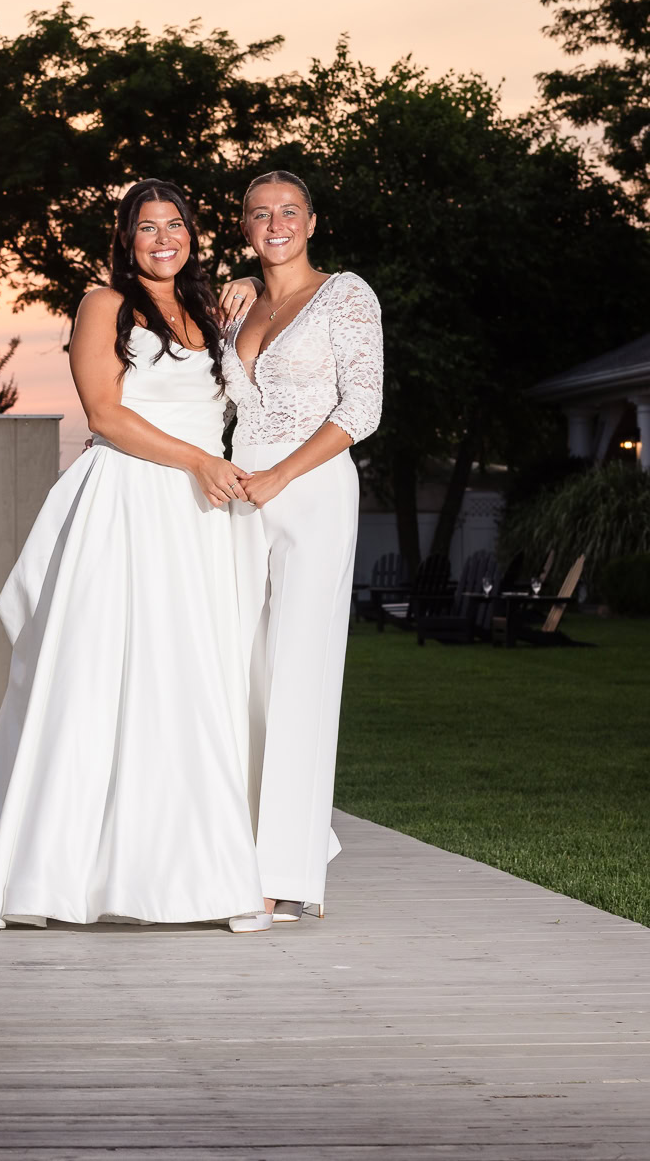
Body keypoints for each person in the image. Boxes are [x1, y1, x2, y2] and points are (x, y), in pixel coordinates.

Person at [0, 179, 271, 933]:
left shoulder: (212, 312)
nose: (164, 238)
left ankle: (203, 875)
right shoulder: (103, 303)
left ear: (194, 232)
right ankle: (53, 875)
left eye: (176, 225)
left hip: (197, 516)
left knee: (193, 679)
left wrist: (248, 281)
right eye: (147, 227)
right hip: (129, 502)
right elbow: (106, 414)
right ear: (125, 239)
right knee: (97, 680)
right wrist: (197, 461)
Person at [218, 170, 382, 923]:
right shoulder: (239, 303)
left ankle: (282, 874)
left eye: (290, 212)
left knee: (299, 676)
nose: (275, 222)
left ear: (313, 222)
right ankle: (281, 841)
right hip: (241, 500)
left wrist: (281, 474)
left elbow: (364, 408)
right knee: (241, 673)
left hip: (310, 491)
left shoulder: (346, 295)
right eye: (261, 213)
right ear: (245, 225)